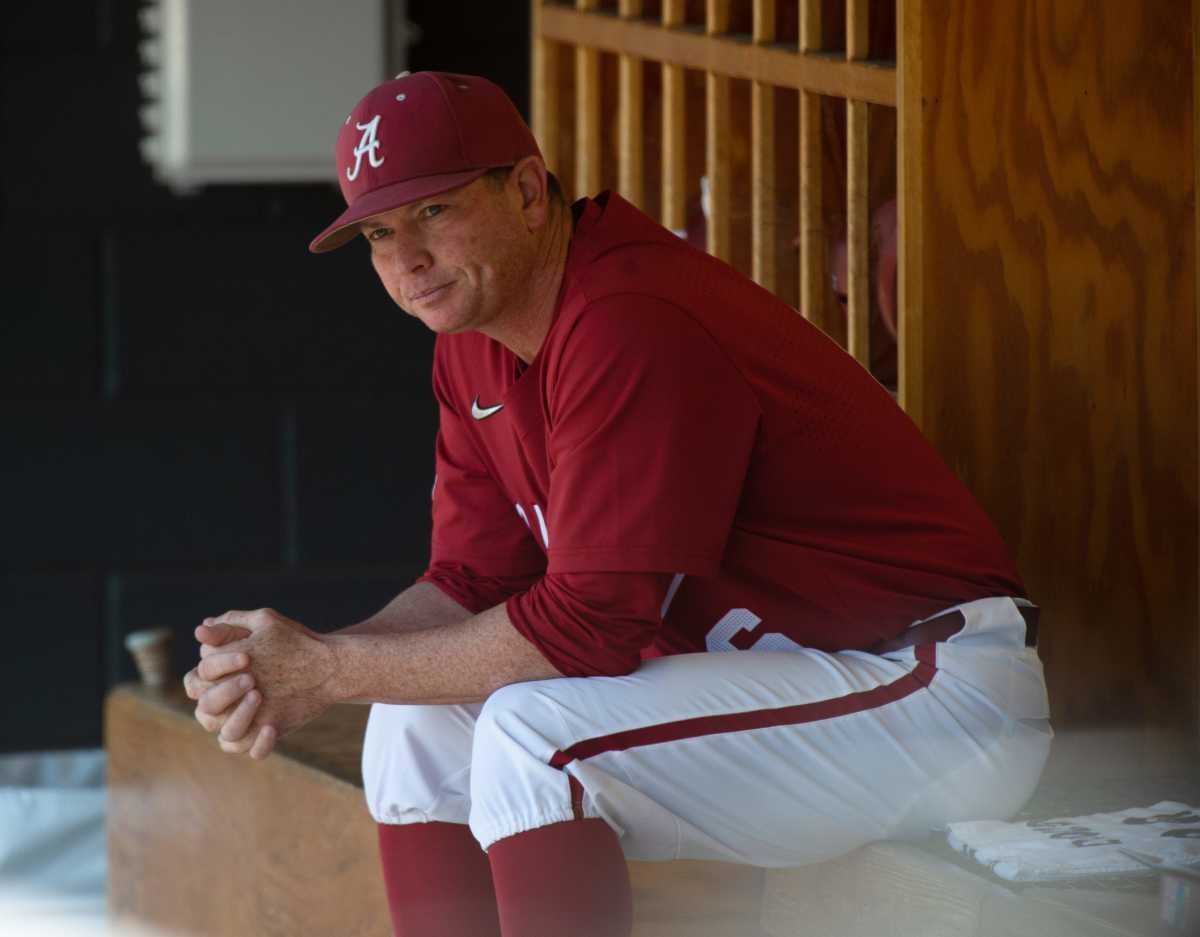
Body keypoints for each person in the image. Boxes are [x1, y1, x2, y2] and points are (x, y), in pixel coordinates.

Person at [182, 71, 1052, 937]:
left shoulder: (627, 315)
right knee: (414, 724)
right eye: (378, 232)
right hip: (790, 685)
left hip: (931, 694)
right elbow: (470, 581)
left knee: (536, 735)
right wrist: (299, 663)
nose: (406, 259)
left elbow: (587, 629)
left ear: (526, 190)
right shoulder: (473, 346)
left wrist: (329, 672)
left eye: (434, 213)